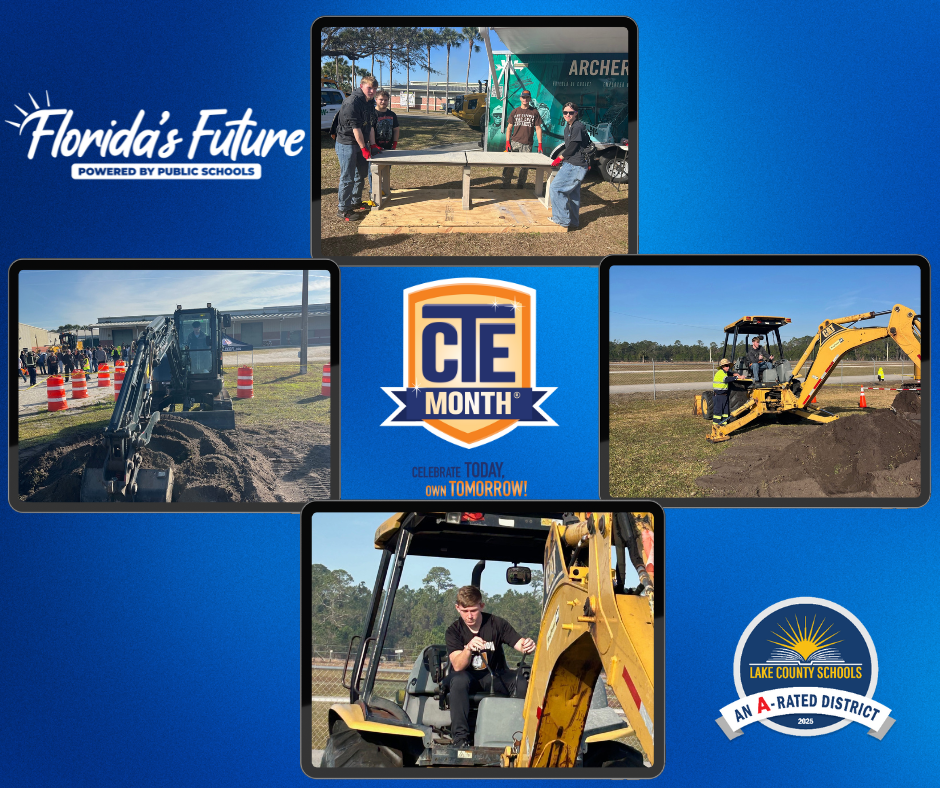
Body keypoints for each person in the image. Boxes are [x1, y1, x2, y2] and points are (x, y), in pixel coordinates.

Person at [444, 586, 536, 748]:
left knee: (520, 681)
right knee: (458, 680)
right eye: (465, 611)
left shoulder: (497, 624)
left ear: (482, 606)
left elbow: (518, 643)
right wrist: (468, 648)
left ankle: (519, 734)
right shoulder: (453, 631)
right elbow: (458, 666)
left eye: (473, 610)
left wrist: (527, 645)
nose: (470, 616)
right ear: (457, 608)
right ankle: (460, 740)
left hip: (494, 675)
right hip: (467, 677)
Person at [334, 75, 381, 219]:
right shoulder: (352, 102)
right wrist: (364, 148)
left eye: (374, 89)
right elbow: (356, 129)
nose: (372, 91)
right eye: (369, 88)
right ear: (361, 86)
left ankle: (355, 201)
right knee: (347, 177)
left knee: (360, 175)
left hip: (361, 142)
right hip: (347, 143)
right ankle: (343, 209)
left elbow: (371, 125)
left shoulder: (369, 102)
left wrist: (372, 144)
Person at [548, 102, 591, 230]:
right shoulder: (569, 126)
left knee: (556, 188)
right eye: (565, 112)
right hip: (574, 163)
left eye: (571, 113)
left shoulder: (577, 126)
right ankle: (573, 221)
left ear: (576, 114)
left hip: (575, 165)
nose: (568, 115)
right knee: (573, 194)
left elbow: (573, 146)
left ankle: (561, 219)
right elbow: (570, 145)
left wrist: (560, 157)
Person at [502, 90, 544, 188]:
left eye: (527, 97)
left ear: (529, 99)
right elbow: (509, 128)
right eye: (523, 97)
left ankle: (520, 185)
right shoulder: (515, 111)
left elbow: (538, 129)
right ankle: (505, 184)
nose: (525, 99)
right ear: (521, 98)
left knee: (524, 167)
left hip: (527, 144)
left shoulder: (534, 112)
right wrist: (508, 142)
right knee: (509, 165)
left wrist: (540, 144)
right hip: (515, 142)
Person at [712, 358, 744, 428]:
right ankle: (715, 427)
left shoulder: (725, 372)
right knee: (718, 412)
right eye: (726, 366)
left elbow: (730, 374)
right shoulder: (720, 373)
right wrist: (737, 378)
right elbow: (726, 379)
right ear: (723, 367)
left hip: (724, 396)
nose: (728, 367)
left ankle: (724, 427)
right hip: (719, 396)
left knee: (725, 413)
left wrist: (735, 374)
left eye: (729, 366)